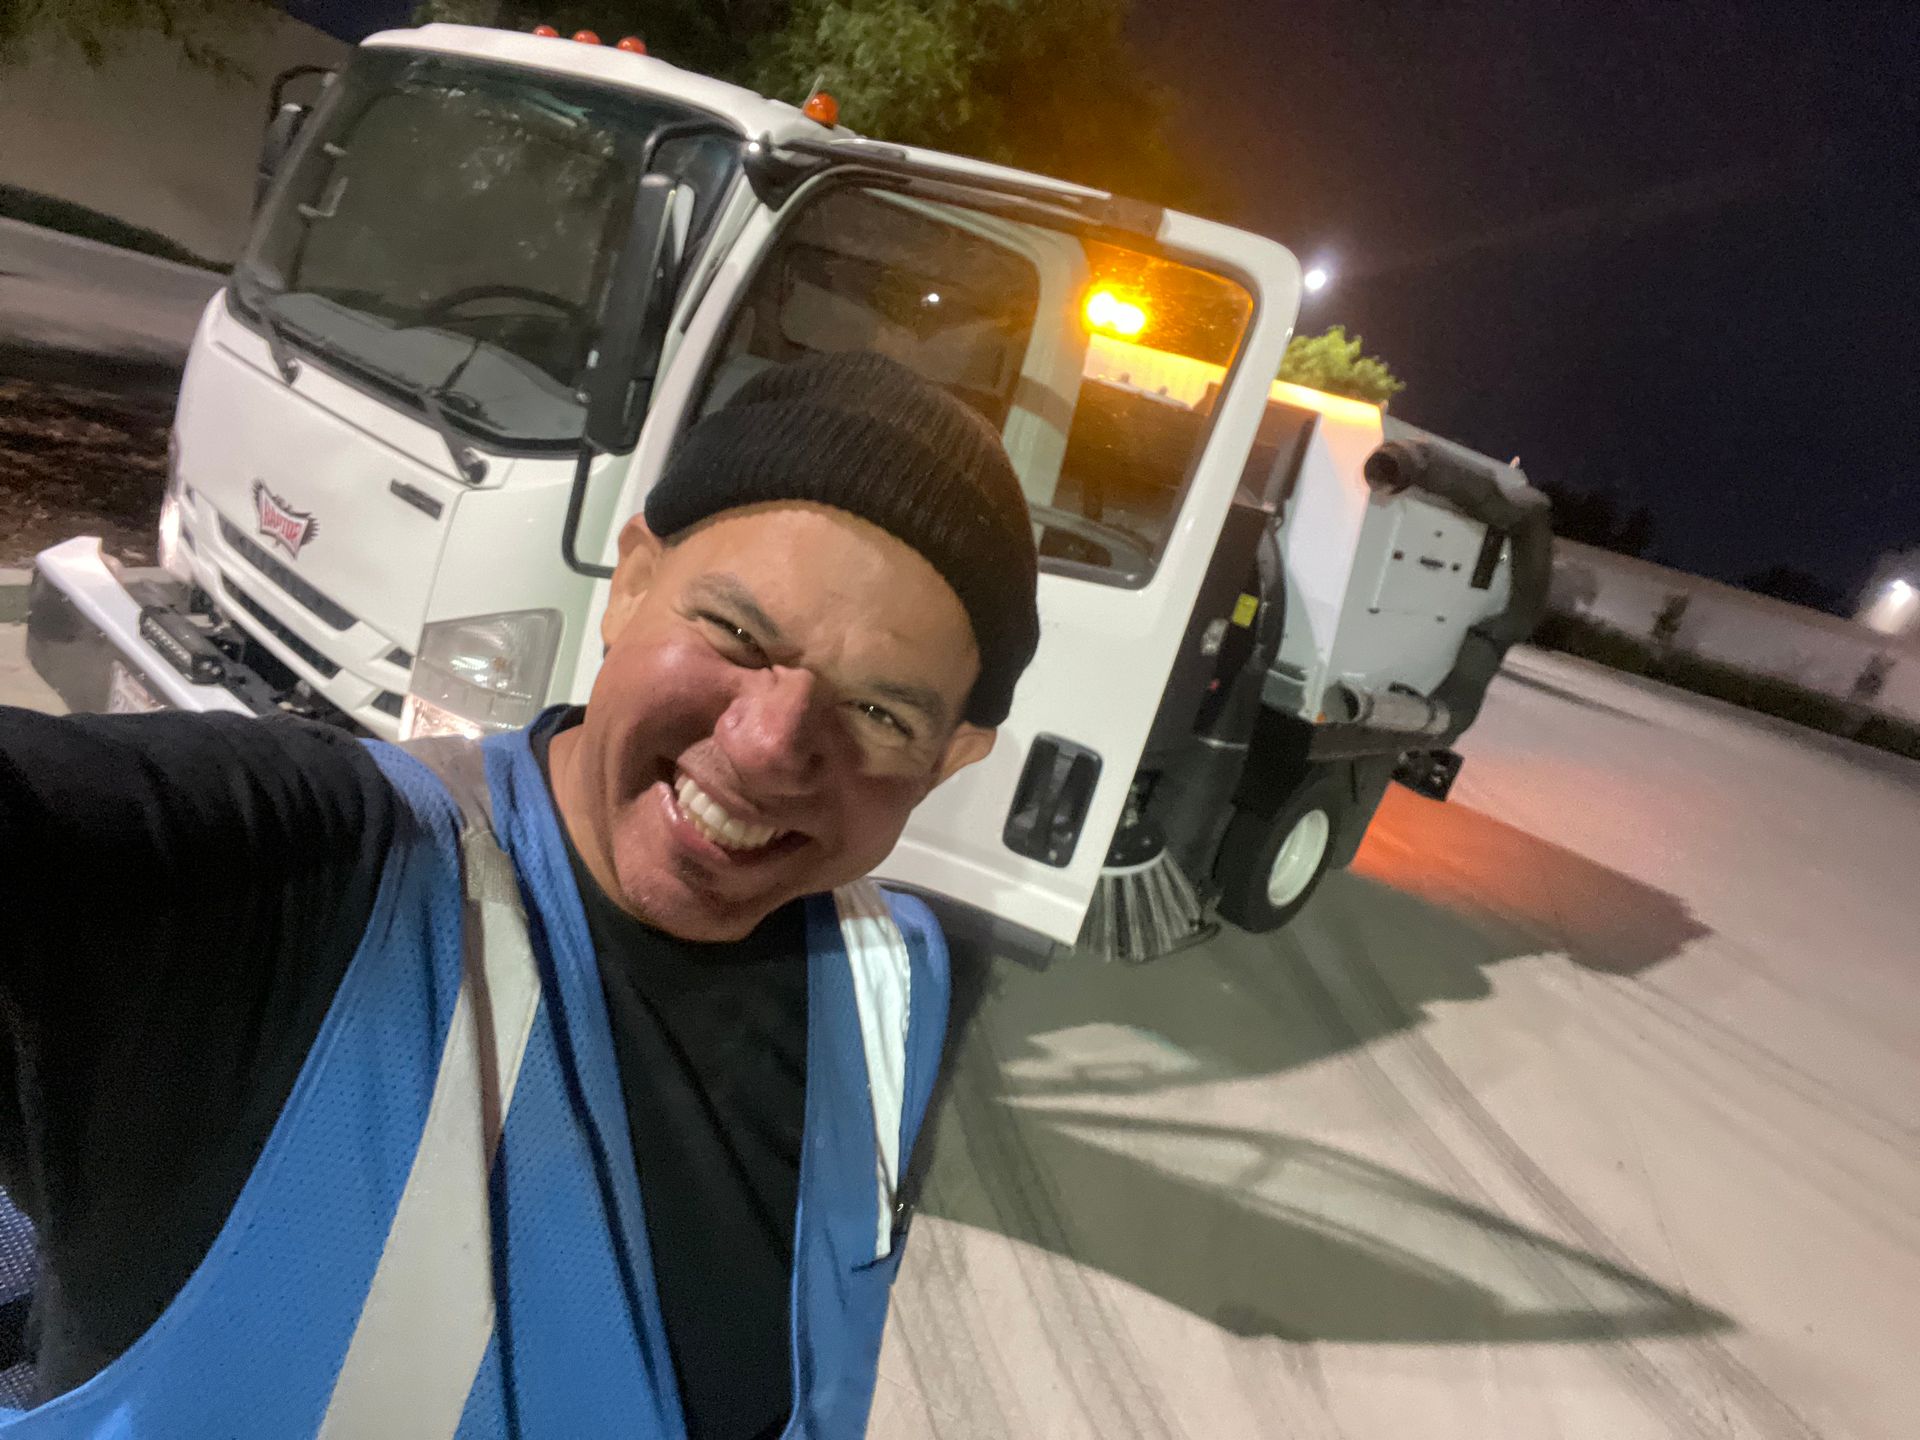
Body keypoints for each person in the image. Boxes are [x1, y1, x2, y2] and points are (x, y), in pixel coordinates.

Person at [0, 351, 1041, 1438]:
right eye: (736, 634)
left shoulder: (898, 984)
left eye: (880, 714)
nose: (772, 747)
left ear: (951, 759)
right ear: (631, 583)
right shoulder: (313, 876)